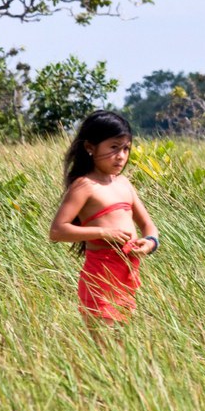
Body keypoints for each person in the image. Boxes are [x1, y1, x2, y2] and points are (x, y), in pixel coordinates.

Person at [49, 110, 159, 328]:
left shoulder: (124, 183)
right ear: (90, 147)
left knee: (123, 343)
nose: (121, 156)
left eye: (126, 148)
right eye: (113, 147)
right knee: (105, 342)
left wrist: (149, 243)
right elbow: (57, 231)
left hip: (127, 275)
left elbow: (148, 225)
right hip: (100, 278)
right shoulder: (84, 186)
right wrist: (103, 233)